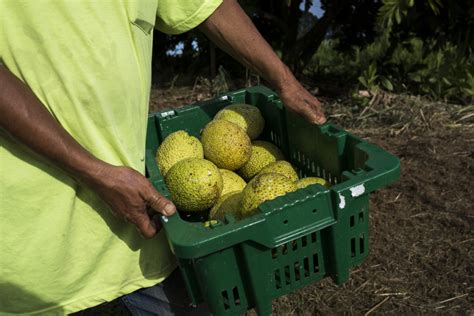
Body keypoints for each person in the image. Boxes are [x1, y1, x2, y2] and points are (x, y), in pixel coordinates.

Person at [0, 0, 325, 314]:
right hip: (38, 228)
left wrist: (284, 80)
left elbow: (207, 6)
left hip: (138, 209)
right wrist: (94, 173)